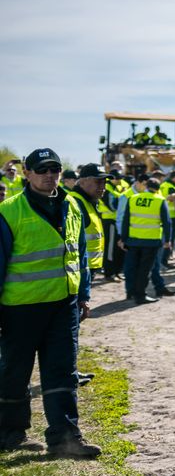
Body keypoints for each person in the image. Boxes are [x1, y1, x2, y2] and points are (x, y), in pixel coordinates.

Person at [0, 148, 100, 458]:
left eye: (54, 169)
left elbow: (79, 253)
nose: (49, 175)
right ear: (27, 174)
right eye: (42, 170)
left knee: (62, 372)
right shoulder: (8, 211)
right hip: (20, 309)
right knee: (15, 373)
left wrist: (83, 295)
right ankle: (9, 434)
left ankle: (65, 439)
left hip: (63, 306)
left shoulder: (71, 206)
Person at [64, 163, 109, 389]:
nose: (103, 186)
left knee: (74, 326)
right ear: (83, 181)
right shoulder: (77, 203)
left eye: (105, 181)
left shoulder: (87, 202)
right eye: (98, 181)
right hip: (76, 272)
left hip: (84, 270)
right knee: (71, 326)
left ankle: (70, 371)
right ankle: (67, 373)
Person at [119, 178, 170, 305]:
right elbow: (167, 223)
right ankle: (140, 295)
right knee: (144, 270)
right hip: (151, 242)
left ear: (146, 186)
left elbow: (126, 220)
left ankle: (130, 292)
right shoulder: (159, 200)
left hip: (133, 240)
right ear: (158, 189)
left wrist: (123, 239)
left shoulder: (133, 198)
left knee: (131, 267)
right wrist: (168, 240)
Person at [100, 162, 129, 280]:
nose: (119, 181)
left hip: (116, 221)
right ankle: (109, 273)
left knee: (117, 248)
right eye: (117, 179)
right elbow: (113, 206)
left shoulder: (117, 187)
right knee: (110, 249)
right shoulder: (106, 188)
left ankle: (116, 271)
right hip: (109, 221)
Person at [160, 170, 175, 266]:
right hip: (172, 216)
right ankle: (164, 260)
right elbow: (170, 198)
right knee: (169, 239)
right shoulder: (171, 187)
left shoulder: (163, 185)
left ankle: (165, 258)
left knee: (165, 238)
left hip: (166, 215)